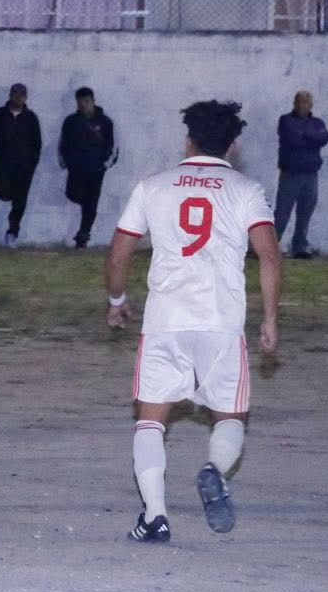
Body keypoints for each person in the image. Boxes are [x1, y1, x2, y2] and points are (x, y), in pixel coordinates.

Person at [104, 100, 279, 545]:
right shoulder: (246, 189)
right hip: (221, 320)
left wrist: (117, 299)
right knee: (231, 414)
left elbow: (119, 252)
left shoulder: (154, 186)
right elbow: (269, 255)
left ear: (188, 140)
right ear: (232, 146)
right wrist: (271, 319)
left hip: (166, 319)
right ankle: (213, 469)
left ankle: (156, 517)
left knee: (150, 418)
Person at [0, 83, 42, 245]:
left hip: (24, 168)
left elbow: (37, 144)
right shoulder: (0, 114)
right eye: (15, 94)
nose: (18, 98)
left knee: (20, 202)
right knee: (3, 194)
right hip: (3, 166)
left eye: (22, 95)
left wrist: (32, 165)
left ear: (26, 97)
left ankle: (12, 232)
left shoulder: (31, 118)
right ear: (10, 95)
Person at [59, 86, 118, 248]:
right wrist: (65, 161)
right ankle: (86, 220)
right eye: (80, 102)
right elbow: (63, 143)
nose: (83, 105)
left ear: (93, 101)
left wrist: (105, 165)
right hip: (76, 169)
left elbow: (113, 146)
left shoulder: (105, 122)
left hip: (96, 170)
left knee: (91, 203)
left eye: (86, 101)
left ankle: (83, 235)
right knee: (73, 194)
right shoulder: (71, 121)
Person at [274, 90, 328, 259]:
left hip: (311, 175)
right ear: (294, 104)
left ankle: (299, 247)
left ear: (311, 105)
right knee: (282, 212)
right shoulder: (286, 120)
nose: (302, 106)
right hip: (290, 173)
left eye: (306, 103)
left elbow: (325, 138)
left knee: (305, 213)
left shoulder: (318, 122)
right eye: (299, 102)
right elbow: (293, 139)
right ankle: (269, 246)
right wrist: (312, 138)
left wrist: (304, 134)